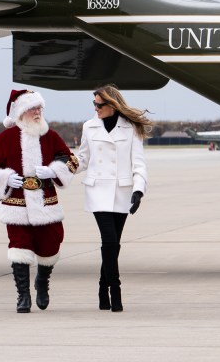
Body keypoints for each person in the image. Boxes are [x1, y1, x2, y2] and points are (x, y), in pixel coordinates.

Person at [0, 89, 78, 313]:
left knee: (50, 247)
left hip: (46, 204)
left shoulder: (50, 136)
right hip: (16, 205)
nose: (38, 112)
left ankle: (42, 283)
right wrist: (6, 178)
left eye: (39, 108)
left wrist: (53, 171)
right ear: (21, 112)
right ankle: (23, 296)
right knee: (19, 247)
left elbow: (71, 161)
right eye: (33, 108)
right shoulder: (5, 138)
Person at [77, 84, 152, 312]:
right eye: (94, 104)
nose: (96, 108)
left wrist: (139, 191)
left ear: (112, 105)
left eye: (99, 105)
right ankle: (115, 291)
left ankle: (102, 286)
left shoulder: (130, 128)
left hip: (122, 192)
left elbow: (138, 164)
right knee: (109, 241)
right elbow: (82, 159)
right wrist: (58, 168)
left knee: (114, 245)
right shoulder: (89, 127)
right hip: (97, 191)